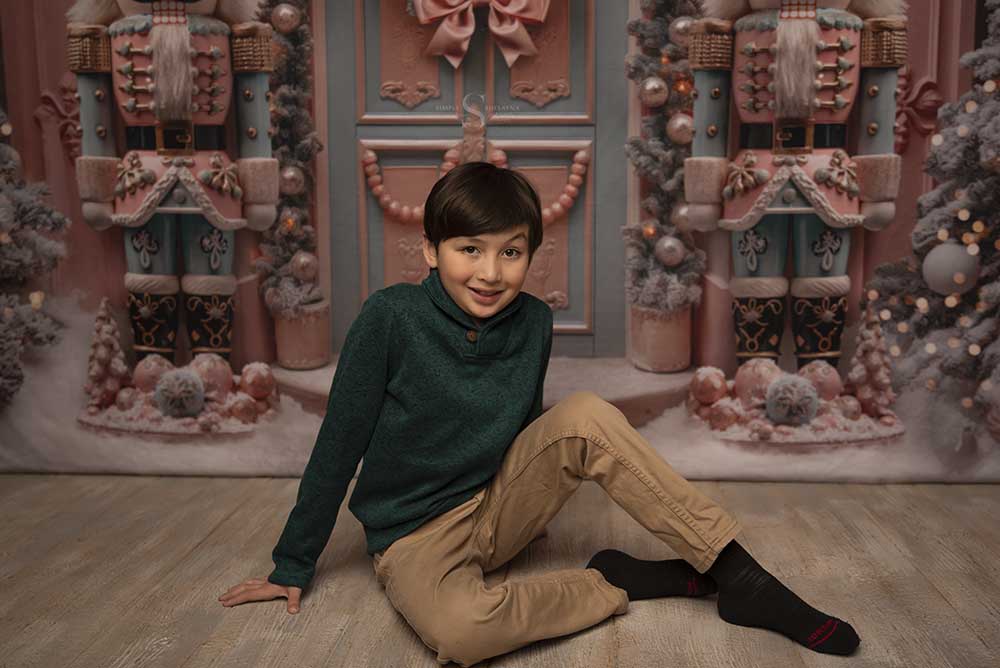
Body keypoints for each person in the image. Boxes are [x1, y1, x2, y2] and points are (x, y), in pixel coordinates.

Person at [219, 162, 861, 665]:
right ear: (432, 251)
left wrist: (529, 514)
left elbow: (523, 423)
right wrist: (292, 564)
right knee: (461, 633)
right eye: (469, 250)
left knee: (584, 413)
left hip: (497, 507)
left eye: (511, 252)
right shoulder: (390, 318)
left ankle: (738, 574)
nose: (490, 273)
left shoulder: (532, 321)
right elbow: (338, 444)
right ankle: (613, 583)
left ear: (531, 255)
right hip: (414, 534)